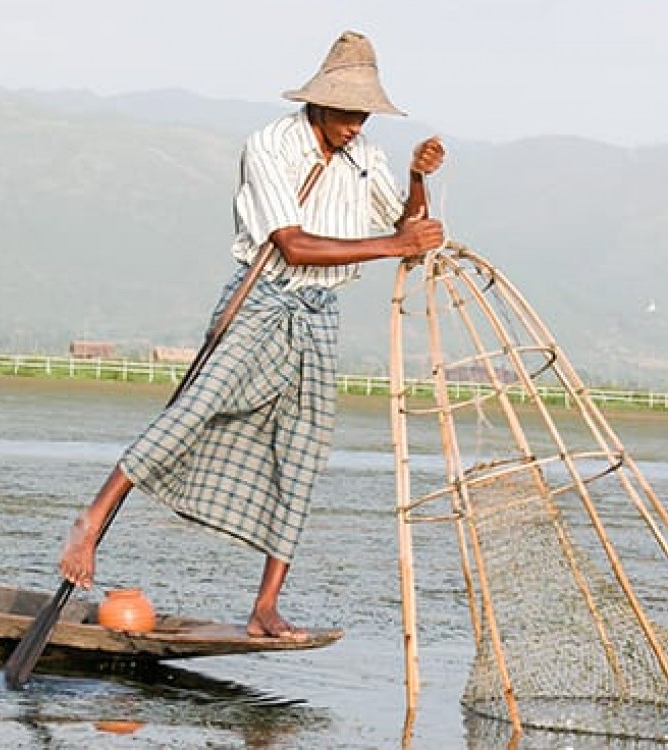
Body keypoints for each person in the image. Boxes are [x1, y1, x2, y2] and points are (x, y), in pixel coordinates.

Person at [59, 30, 445, 639]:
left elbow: (402, 228)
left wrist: (418, 181)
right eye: (346, 111)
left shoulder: (366, 154)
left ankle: (265, 607)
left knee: (302, 454)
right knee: (194, 412)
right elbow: (291, 244)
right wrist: (397, 244)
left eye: (363, 113)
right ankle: (90, 522)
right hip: (263, 302)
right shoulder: (269, 145)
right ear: (318, 102)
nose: (354, 123)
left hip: (321, 316)